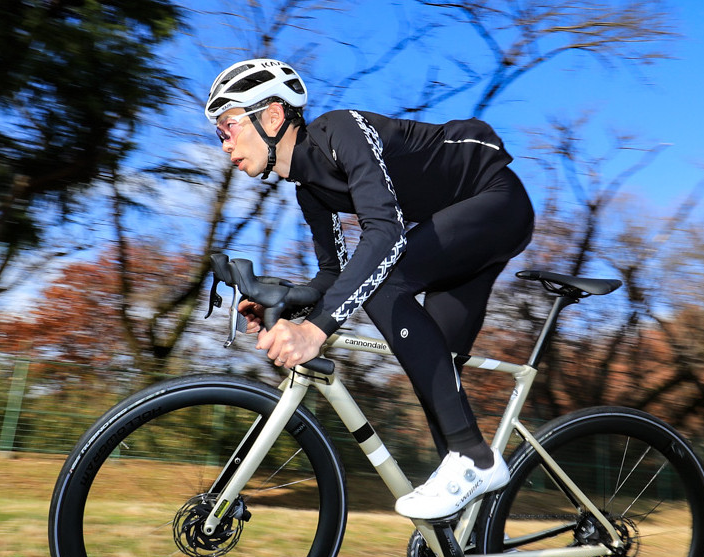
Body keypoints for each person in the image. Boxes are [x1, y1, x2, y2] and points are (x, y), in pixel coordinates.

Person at [205, 58, 535, 525]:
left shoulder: (342, 130)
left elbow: (384, 234)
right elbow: (332, 277)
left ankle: (475, 460)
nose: (225, 145)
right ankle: (465, 544)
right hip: (456, 237)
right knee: (435, 378)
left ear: (273, 116)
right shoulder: (309, 191)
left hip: (496, 200)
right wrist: (282, 297)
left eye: (228, 127)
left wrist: (315, 333)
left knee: (387, 283)